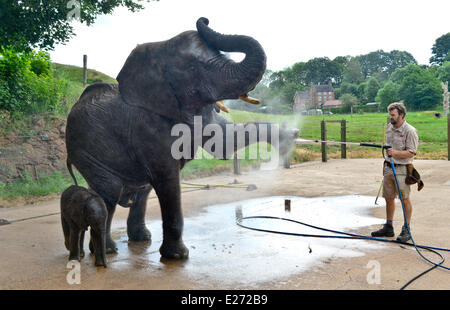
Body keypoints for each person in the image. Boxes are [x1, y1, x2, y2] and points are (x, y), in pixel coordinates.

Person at [371, 102, 419, 243]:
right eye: (390, 115)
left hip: (402, 169)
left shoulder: (410, 131)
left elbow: (411, 152)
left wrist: (395, 152)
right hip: (388, 168)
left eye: (393, 115)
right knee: (389, 197)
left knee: (404, 199)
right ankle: (389, 226)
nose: (390, 117)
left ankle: (406, 229)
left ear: (401, 115)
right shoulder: (389, 128)